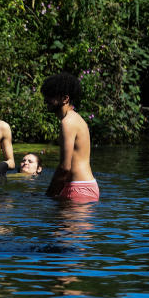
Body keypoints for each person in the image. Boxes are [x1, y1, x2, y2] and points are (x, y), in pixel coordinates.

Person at [42, 73, 99, 202]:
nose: (46, 100)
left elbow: (64, 167)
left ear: (65, 99)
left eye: (50, 96)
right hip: (82, 186)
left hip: (78, 189)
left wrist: (48, 195)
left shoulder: (67, 123)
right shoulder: (75, 119)